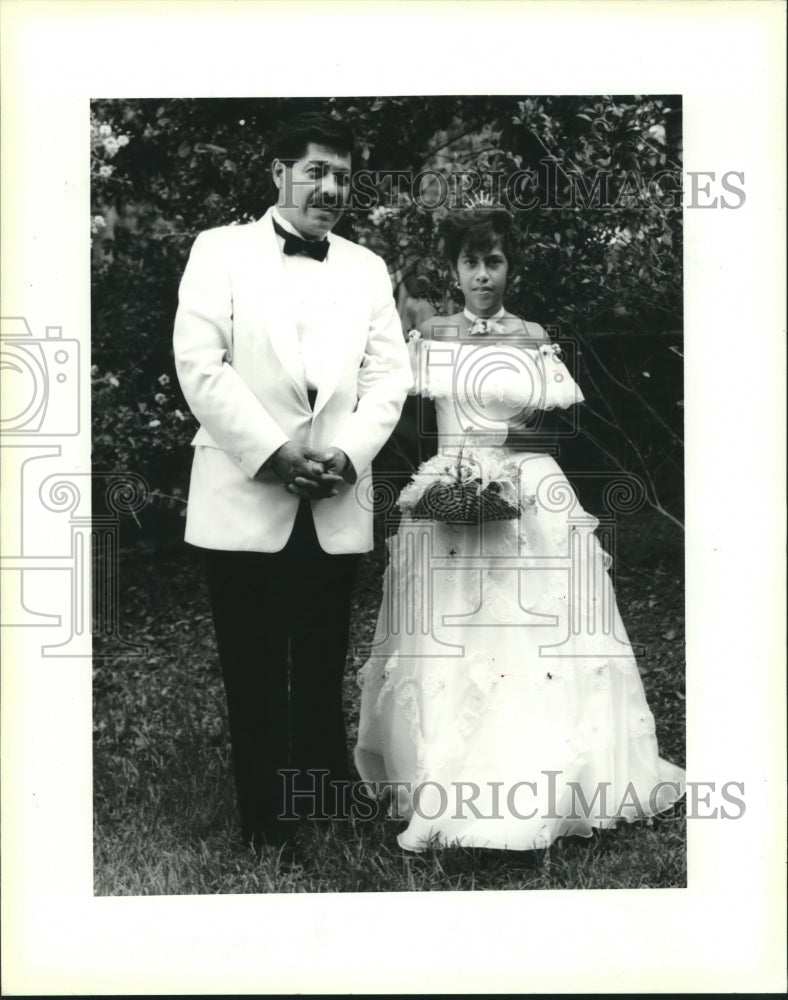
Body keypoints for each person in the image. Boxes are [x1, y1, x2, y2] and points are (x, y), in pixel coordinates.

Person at [354, 206, 685, 853]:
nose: (483, 274)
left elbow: (562, 426)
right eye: (471, 262)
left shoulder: (532, 335)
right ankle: (437, 782)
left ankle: (551, 780)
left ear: (511, 267)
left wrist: (501, 446)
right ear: (453, 269)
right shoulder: (433, 334)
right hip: (453, 492)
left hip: (530, 493)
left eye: (494, 261)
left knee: (537, 641)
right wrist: (447, 472)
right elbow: (402, 418)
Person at [173, 112, 411, 854]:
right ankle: (266, 821)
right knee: (249, 660)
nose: (330, 188)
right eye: (314, 170)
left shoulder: (367, 268)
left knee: (319, 657)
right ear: (277, 172)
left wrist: (346, 454)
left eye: (341, 175)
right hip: (245, 491)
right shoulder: (220, 251)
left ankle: (324, 796)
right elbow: (199, 363)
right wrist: (273, 453)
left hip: (335, 496)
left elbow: (389, 375)